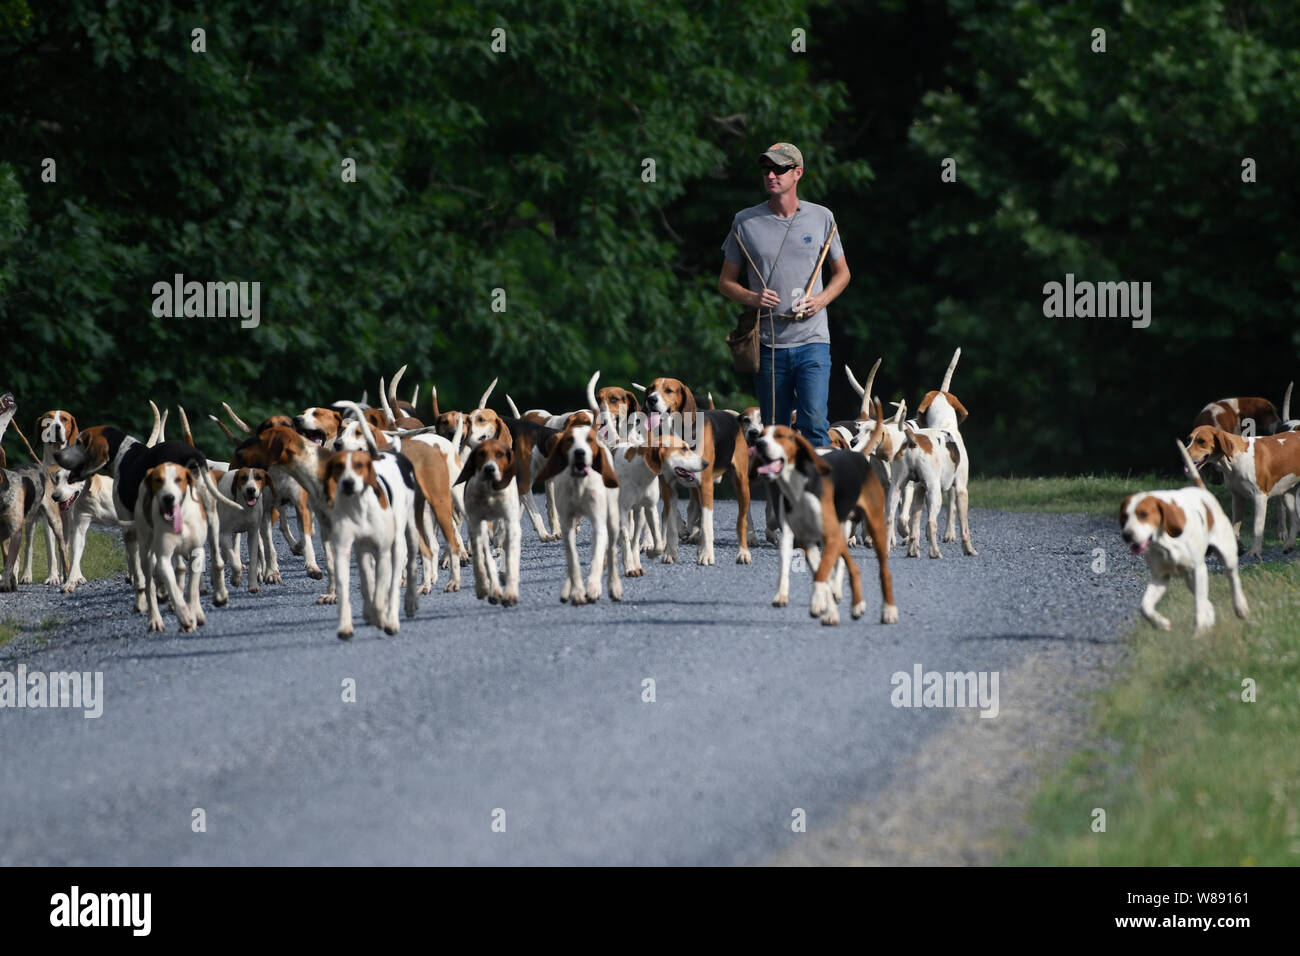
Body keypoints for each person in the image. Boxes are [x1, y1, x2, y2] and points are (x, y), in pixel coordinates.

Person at [719, 142, 849, 448]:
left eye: (779, 169)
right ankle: (780, 498)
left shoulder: (822, 218)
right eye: (767, 169)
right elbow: (725, 282)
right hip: (769, 344)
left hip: (813, 341)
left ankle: (816, 495)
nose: (771, 175)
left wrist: (820, 300)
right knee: (773, 433)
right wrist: (752, 298)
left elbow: (843, 274)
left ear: (797, 173)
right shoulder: (745, 222)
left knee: (815, 424)